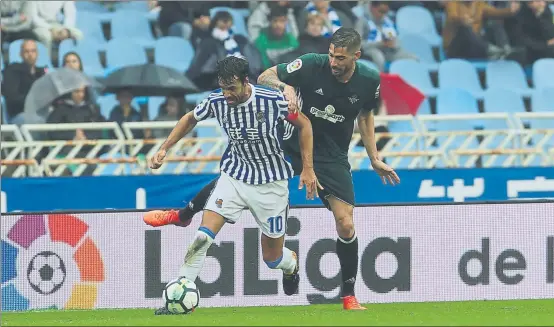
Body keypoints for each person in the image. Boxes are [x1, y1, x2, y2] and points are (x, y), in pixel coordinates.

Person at [145, 27, 401, 311]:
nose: (333, 62)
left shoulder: (367, 81)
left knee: (342, 225)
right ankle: (183, 221)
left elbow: (364, 116)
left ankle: (346, 294)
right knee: (219, 206)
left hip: (328, 158)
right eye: (331, 55)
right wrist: (286, 86)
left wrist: (373, 157)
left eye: (340, 58)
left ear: (356, 56)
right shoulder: (310, 64)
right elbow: (267, 76)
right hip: (285, 150)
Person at [144, 56, 320, 315]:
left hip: (271, 184)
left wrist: (307, 168)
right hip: (235, 177)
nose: (226, 94)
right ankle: (180, 294)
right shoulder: (216, 100)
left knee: (272, 259)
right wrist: (164, 148)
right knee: (202, 238)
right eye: (223, 87)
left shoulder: (271, 101)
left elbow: (304, 124)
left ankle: (290, 264)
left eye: (232, 88)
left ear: (245, 82)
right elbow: (189, 118)